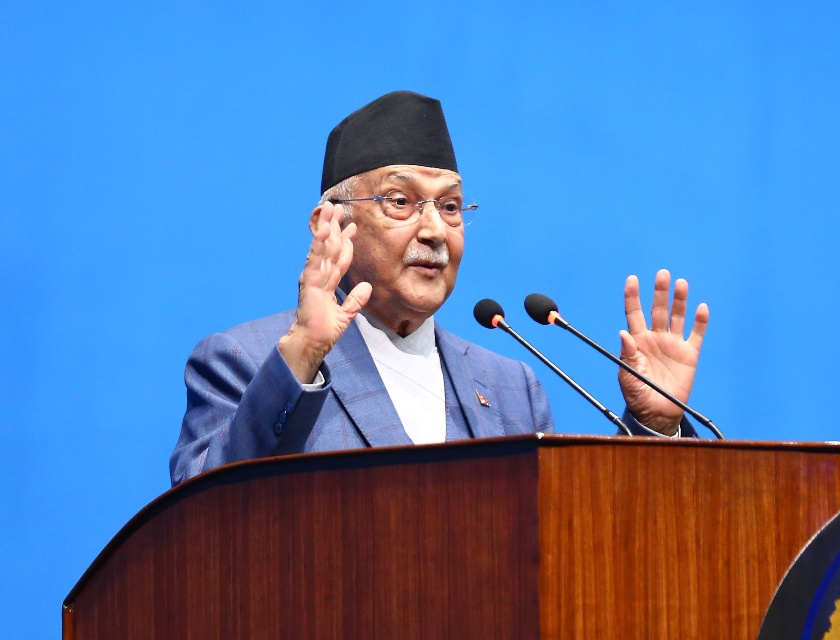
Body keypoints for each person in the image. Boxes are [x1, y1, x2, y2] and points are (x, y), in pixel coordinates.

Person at [170, 91, 709, 486]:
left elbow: (575, 541)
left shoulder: (510, 387)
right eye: (400, 202)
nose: (434, 230)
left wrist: (653, 425)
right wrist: (302, 355)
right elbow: (199, 522)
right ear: (330, 224)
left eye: (450, 206)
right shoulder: (246, 360)